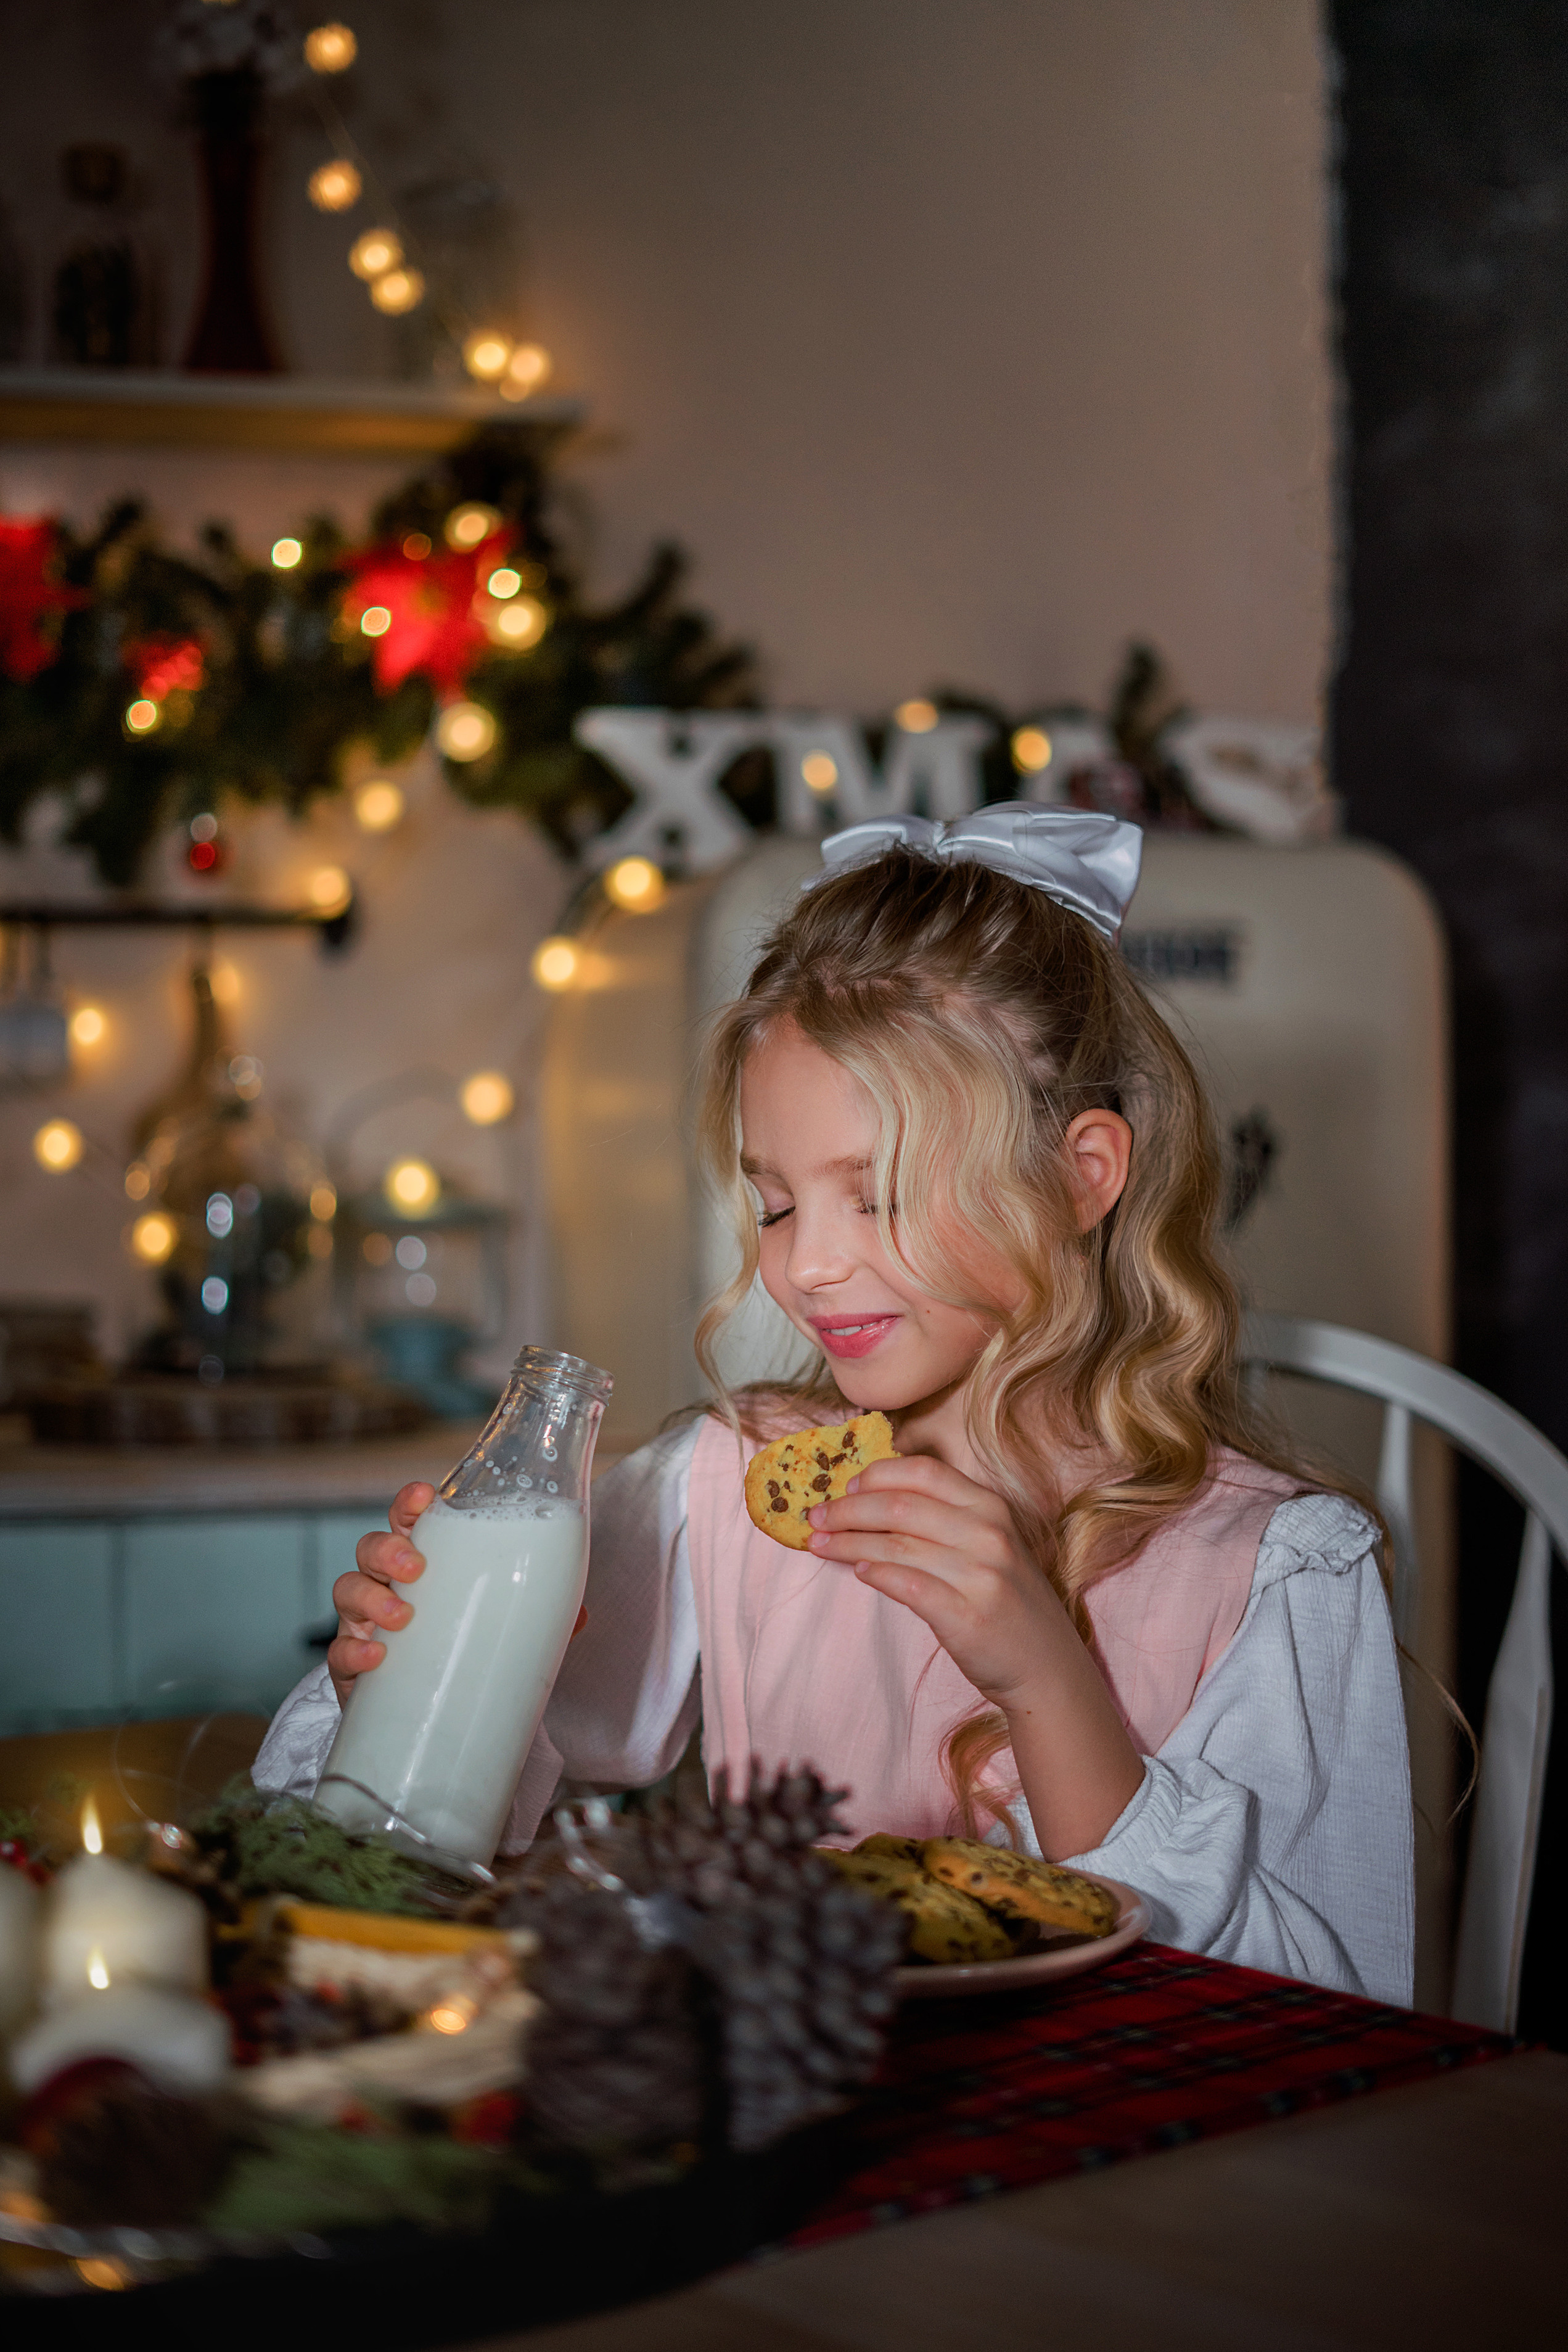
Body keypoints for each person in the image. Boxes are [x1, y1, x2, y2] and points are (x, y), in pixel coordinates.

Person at [257, 807, 1414, 2004]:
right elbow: (417, 1847)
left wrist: (1046, 1682)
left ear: (1081, 1177)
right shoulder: (723, 1489)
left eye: (880, 1194)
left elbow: (1333, 2020)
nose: (805, 1265)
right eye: (774, 1203)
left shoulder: (1273, 1571)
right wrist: (411, 1683)